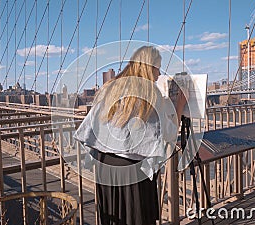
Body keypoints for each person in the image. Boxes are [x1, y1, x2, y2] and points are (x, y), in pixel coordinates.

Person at [74, 46, 187, 225]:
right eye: (157, 68)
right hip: (132, 171)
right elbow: (169, 133)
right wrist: (179, 106)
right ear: (149, 67)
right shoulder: (150, 94)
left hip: (105, 166)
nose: (158, 74)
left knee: (113, 217)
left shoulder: (111, 88)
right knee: (135, 217)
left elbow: (94, 125)